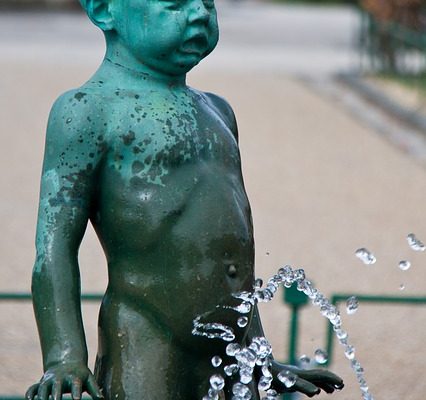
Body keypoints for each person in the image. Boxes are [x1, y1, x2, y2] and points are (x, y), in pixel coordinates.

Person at [25, 0, 343, 398]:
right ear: (105, 9)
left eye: (206, 3)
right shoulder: (87, 112)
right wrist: (64, 355)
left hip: (234, 341)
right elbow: (53, 246)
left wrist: (261, 356)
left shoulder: (218, 111)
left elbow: (233, 252)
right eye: (175, 3)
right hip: (145, 330)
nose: (198, 15)